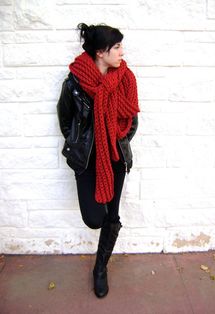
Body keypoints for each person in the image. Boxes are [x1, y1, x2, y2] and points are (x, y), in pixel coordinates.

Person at [57, 23, 139, 298]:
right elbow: (66, 120)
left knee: (112, 214)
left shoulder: (125, 78)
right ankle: (102, 251)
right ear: (101, 52)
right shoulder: (74, 83)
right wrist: (80, 144)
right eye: (116, 47)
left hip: (115, 157)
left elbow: (131, 121)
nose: (121, 52)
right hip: (88, 160)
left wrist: (117, 139)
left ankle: (100, 268)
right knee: (94, 218)